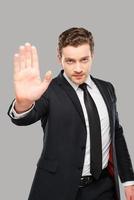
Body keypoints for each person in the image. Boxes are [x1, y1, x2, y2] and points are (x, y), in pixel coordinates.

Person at [8, 27, 134, 200]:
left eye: (84, 60)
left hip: (104, 187)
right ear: (59, 58)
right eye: (70, 61)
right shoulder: (48, 90)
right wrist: (23, 102)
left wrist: (128, 180)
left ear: (92, 56)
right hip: (58, 187)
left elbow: (116, 134)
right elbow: (25, 117)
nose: (78, 68)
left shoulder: (107, 89)